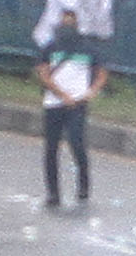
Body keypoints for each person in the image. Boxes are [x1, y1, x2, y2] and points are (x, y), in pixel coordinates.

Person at [41, 45, 105, 211]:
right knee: (51, 148)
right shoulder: (51, 47)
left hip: (78, 104)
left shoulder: (88, 49)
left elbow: (101, 73)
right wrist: (62, 95)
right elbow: (44, 74)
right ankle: (53, 193)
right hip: (53, 104)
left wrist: (91, 92)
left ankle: (83, 186)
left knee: (76, 142)